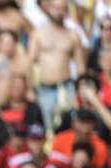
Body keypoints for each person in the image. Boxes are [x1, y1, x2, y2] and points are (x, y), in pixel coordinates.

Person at [28, 0, 85, 132]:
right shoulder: (38, 34)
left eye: (62, 8)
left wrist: (80, 89)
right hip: (45, 88)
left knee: (68, 127)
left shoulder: (72, 35)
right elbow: (30, 63)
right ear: (49, 9)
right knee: (47, 128)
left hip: (66, 87)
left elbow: (80, 66)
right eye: (56, 8)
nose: (59, 11)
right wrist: (30, 89)